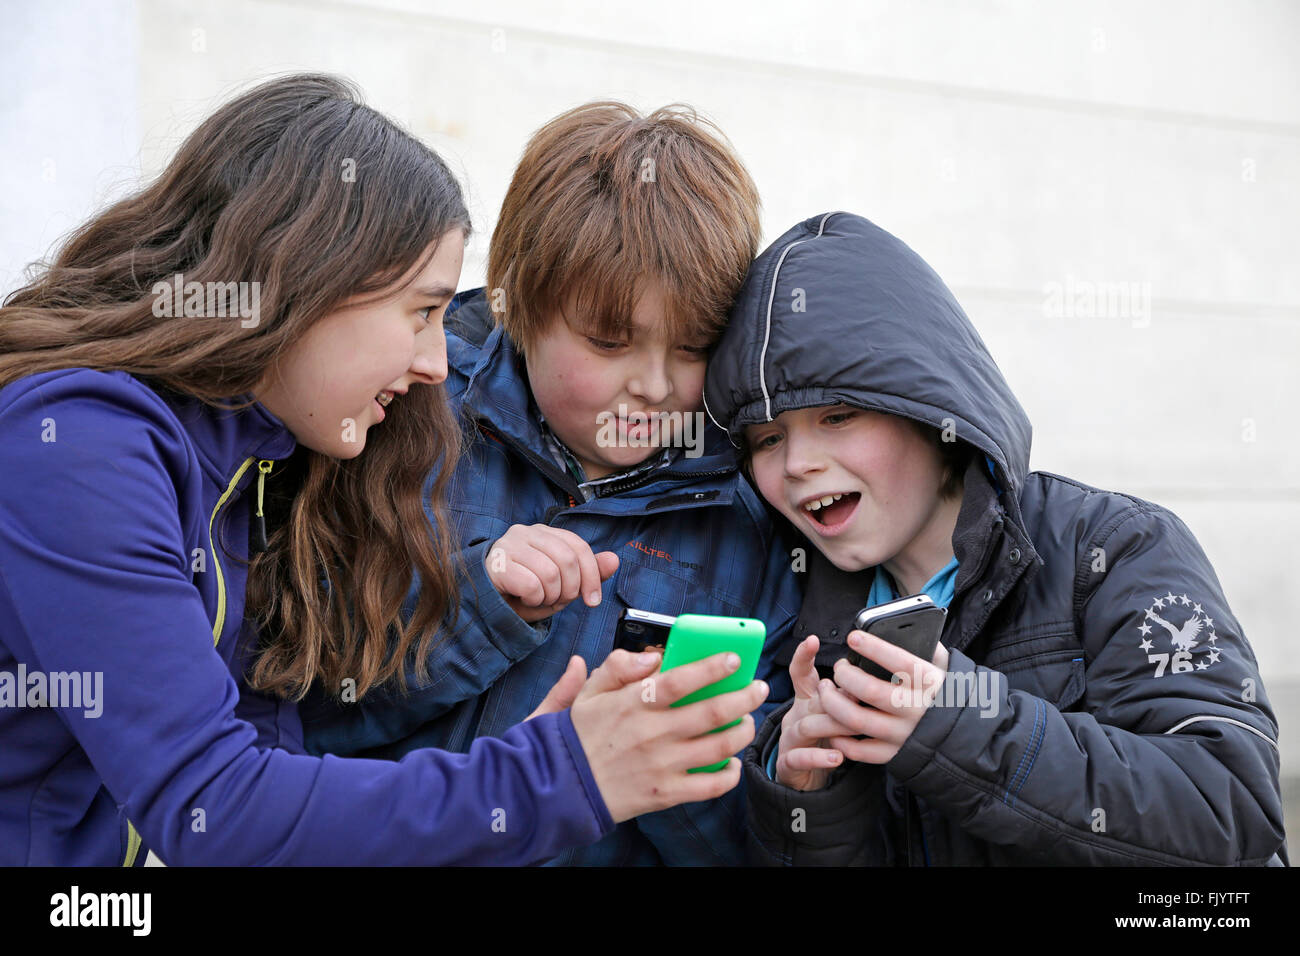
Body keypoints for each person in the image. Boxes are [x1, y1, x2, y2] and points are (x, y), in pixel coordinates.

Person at [0, 74, 768, 866]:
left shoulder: (250, 462)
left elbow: (276, 751)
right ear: (308, 282)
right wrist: (558, 773)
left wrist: (525, 776)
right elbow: (214, 808)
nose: (439, 360)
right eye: (424, 312)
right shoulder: (78, 452)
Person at [703, 211, 1287, 865]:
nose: (796, 464)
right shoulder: (792, 612)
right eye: (767, 439)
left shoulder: (1119, 547)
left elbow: (1230, 809)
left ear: (929, 407)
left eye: (837, 416)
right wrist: (805, 797)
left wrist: (958, 718)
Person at [301, 102, 799, 865]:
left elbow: (748, 845)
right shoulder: (399, 419)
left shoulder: (758, 520)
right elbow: (297, 708)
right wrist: (480, 604)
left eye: (695, 345)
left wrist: (659, 758)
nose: (656, 386)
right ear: (522, 306)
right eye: (609, 340)